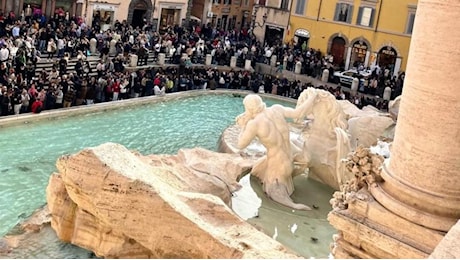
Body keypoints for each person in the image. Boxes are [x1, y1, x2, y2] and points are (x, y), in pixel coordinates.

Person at [235, 93, 317, 210]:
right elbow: (299, 112)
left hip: (277, 168)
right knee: (256, 170)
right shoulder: (276, 109)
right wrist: (312, 97)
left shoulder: (254, 124)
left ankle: (296, 206)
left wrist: (243, 126)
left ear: (249, 108)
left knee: (275, 199)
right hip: (290, 159)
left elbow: (240, 145)